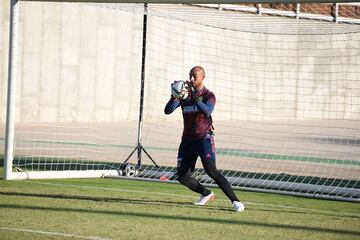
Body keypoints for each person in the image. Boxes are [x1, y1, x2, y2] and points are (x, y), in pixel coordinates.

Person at [164, 66, 245, 212]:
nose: (192, 79)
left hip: (204, 138)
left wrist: (195, 99)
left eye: (195, 76)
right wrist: (174, 96)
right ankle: (206, 194)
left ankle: (236, 202)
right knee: (183, 177)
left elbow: (207, 111)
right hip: (187, 140)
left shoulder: (209, 95)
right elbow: (167, 111)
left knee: (211, 170)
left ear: (203, 77)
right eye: (191, 76)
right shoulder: (185, 95)